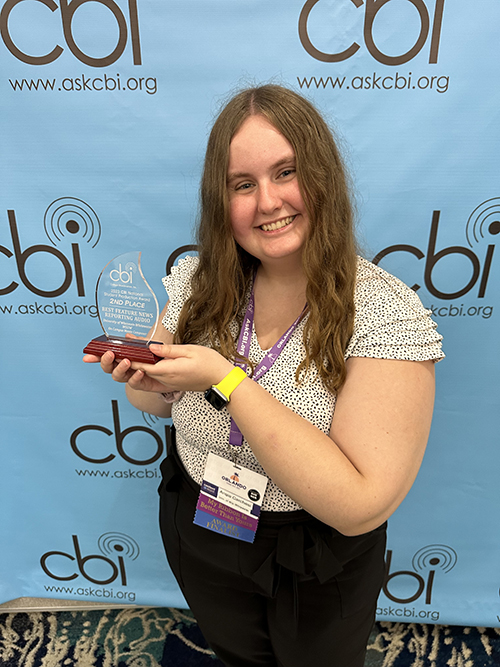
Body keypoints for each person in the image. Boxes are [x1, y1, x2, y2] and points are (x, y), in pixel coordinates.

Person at [84, 84, 444, 667]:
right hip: (202, 516)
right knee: (238, 654)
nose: (267, 202)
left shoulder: (385, 313)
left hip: (315, 554)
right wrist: (147, 380)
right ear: (219, 199)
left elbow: (359, 504)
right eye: (242, 185)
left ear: (322, 176)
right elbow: (154, 405)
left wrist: (226, 380)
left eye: (286, 172)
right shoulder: (197, 279)